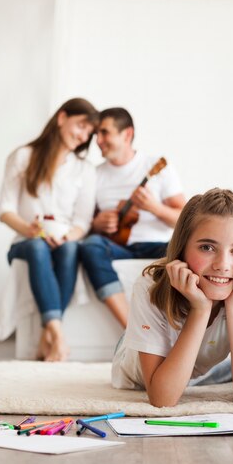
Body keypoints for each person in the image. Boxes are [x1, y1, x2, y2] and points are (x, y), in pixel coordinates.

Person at [111, 188, 233, 407]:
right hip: (134, 363)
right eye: (207, 247)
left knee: (216, 371)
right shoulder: (149, 286)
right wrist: (200, 309)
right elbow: (162, 398)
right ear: (182, 249)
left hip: (200, 367)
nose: (223, 265)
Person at [0, 97, 98, 361]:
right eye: (81, 126)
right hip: (26, 241)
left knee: (69, 249)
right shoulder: (23, 157)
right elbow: (5, 209)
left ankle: (46, 337)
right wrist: (28, 229)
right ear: (62, 118)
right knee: (37, 246)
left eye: (89, 132)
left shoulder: (84, 170)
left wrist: (66, 236)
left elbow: (82, 222)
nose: (83, 135)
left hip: (64, 240)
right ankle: (59, 338)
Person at [79, 107, 186, 328]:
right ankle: (130, 328)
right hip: (117, 247)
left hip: (157, 246)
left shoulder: (156, 167)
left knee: (185, 253)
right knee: (91, 245)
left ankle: (178, 329)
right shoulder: (95, 174)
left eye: (104, 132)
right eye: (96, 134)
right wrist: (97, 225)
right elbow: (82, 224)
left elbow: (184, 220)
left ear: (126, 134)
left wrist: (154, 207)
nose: (98, 140)